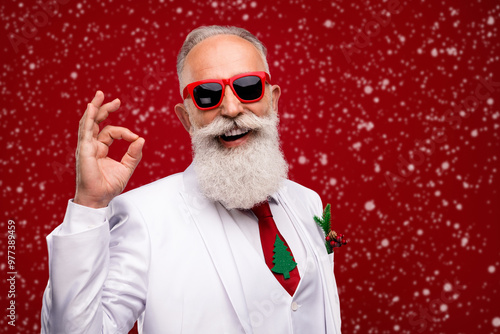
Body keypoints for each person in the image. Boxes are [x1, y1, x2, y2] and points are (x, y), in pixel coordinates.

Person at [41, 25, 342, 334]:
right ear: (186, 119)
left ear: (273, 100)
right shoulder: (144, 216)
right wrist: (89, 204)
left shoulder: (308, 203)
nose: (232, 109)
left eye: (248, 87)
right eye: (207, 95)